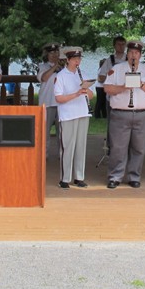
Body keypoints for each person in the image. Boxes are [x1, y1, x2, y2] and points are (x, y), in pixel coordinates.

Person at [104, 41, 145, 189]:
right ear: (127, 54)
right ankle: (115, 176)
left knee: (139, 148)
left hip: (142, 114)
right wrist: (124, 87)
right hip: (121, 114)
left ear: (140, 55)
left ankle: (134, 176)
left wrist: (141, 83)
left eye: (136, 53)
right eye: (131, 52)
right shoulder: (116, 69)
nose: (133, 55)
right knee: (118, 147)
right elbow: (107, 88)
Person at [53, 47, 93, 190]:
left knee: (81, 146)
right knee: (67, 146)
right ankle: (65, 178)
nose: (78, 61)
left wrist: (86, 88)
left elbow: (91, 96)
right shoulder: (61, 76)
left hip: (83, 113)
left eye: (79, 59)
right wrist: (76, 94)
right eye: (75, 59)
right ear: (68, 60)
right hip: (68, 114)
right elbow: (58, 98)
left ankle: (79, 177)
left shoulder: (84, 74)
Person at [97, 36, 127, 148]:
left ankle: (125, 147)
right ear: (114, 45)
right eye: (119, 44)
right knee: (111, 124)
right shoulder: (110, 60)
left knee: (125, 124)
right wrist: (112, 78)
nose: (121, 47)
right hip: (112, 97)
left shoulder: (129, 59)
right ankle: (110, 147)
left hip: (126, 97)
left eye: (123, 44)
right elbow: (100, 77)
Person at [37, 42, 63, 157]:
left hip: (61, 103)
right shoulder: (42, 67)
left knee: (62, 131)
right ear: (47, 55)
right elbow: (44, 77)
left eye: (56, 52)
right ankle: (44, 154)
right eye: (51, 53)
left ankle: (62, 154)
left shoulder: (64, 67)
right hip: (47, 102)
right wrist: (54, 67)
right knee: (45, 131)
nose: (54, 55)